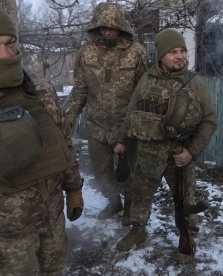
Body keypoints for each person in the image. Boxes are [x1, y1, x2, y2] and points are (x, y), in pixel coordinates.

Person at [0, 0, 84, 274]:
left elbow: (63, 144)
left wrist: (74, 190)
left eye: (10, 42)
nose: (4, 53)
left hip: (52, 222)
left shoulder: (41, 89)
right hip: (5, 237)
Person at [114, 28, 217, 261]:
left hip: (179, 154)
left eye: (183, 51)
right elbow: (132, 112)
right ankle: (138, 230)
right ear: (160, 55)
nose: (180, 56)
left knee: (184, 200)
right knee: (141, 195)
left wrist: (191, 152)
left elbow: (209, 121)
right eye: (173, 52)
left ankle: (186, 237)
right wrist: (122, 141)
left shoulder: (196, 83)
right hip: (147, 152)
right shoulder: (146, 79)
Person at [66, 2, 148, 225]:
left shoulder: (136, 52)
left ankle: (130, 205)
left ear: (121, 26)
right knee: (101, 173)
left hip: (127, 128)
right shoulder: (87, 53)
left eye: (112, 26)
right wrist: (69, 117)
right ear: (97, 27)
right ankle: (114, 202)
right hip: (97, 126)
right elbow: (80, 88)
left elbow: (144, 91)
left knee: (129, 172)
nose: (108, 31)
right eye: (103, 27)